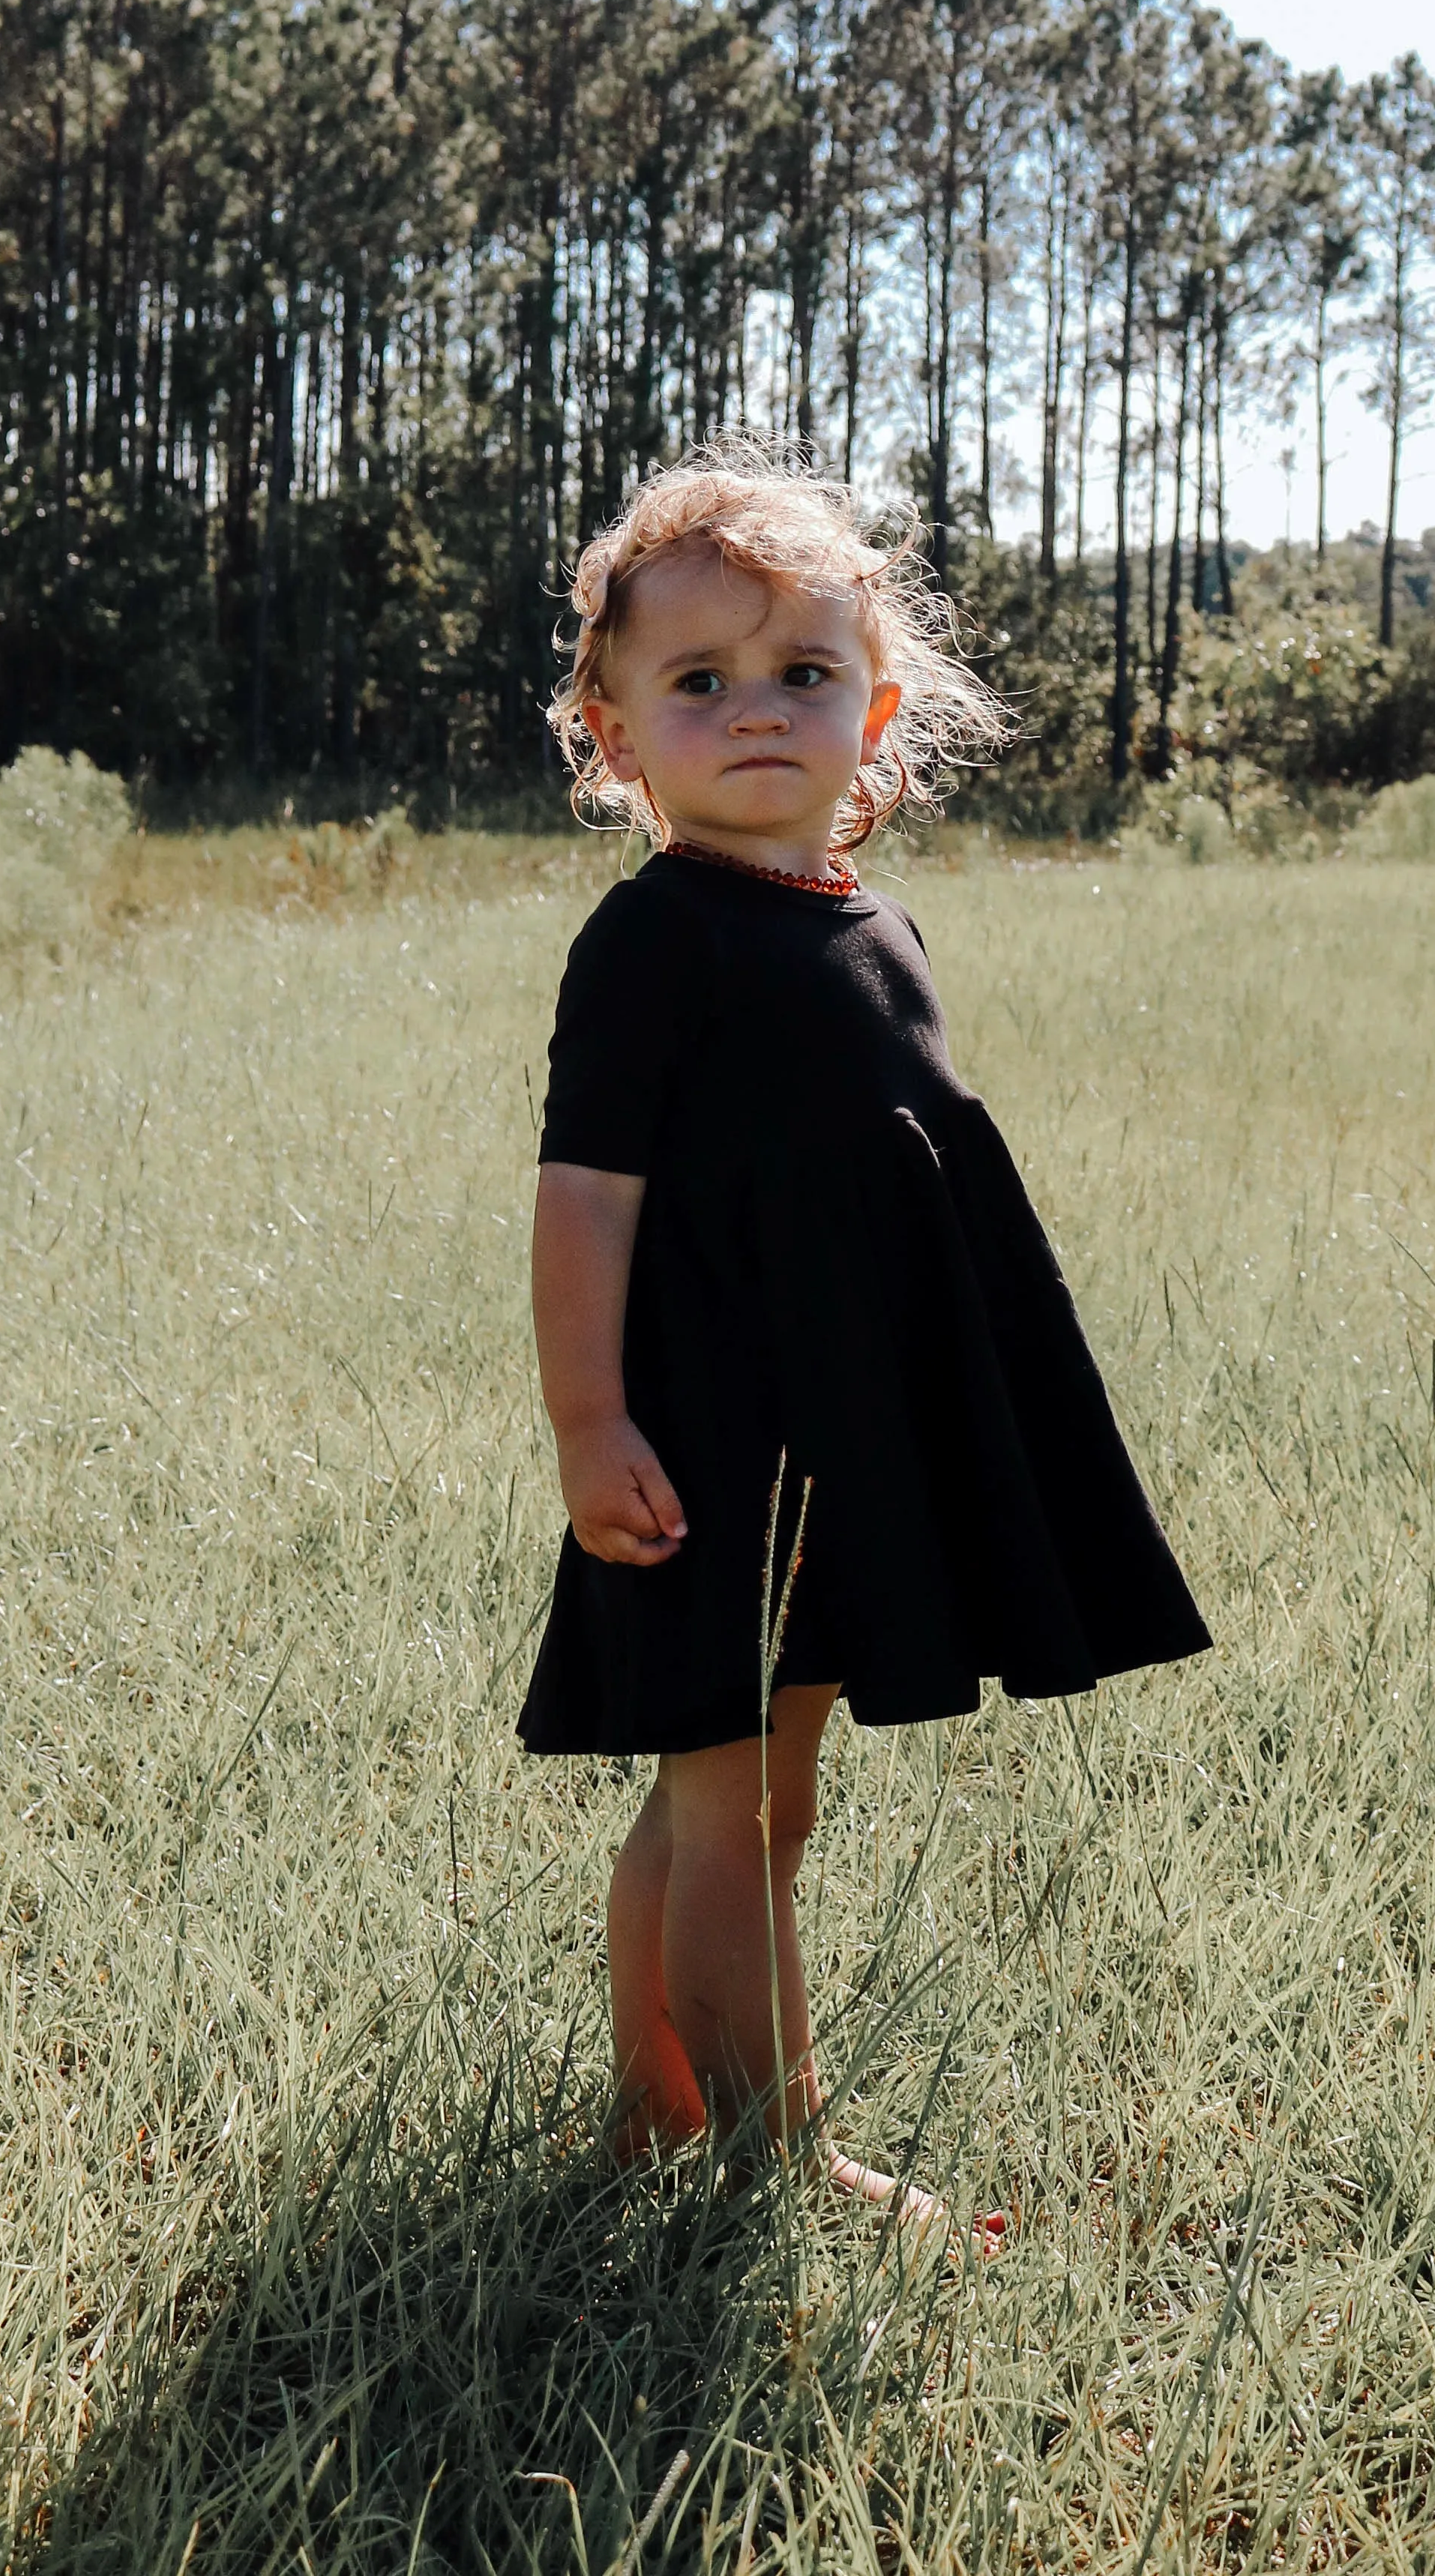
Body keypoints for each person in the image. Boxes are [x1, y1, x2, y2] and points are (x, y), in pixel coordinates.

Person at [521, 445, 1211, 2246]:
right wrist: (589, 1424)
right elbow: (585, 1195)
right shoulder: (655, 938)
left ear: (876, 713)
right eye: (697, 684)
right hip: (706, 1439)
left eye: (802, 675)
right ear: (612, 734)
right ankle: (767, 2166)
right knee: (725, 1806)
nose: (755, 712)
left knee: (754, 1792)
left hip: (837, 1433)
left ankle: (658, 2125)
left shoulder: (868, 925)